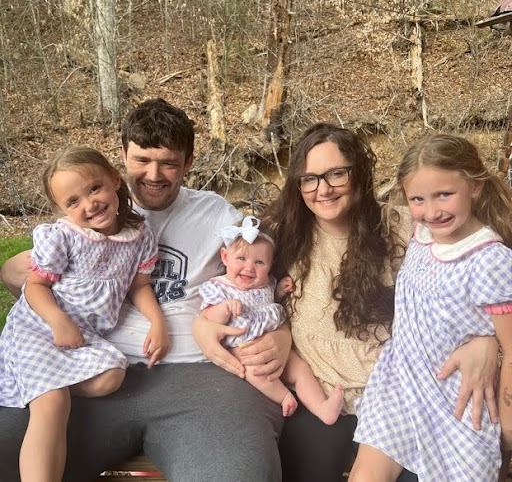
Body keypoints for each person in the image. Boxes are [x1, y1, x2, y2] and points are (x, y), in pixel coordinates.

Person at [0, 98, 288, 481]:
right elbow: (27, 274)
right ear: (122, 158)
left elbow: (266, 275)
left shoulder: (217, 215)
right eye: (141, 160)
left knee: (237, 473)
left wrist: (282, 334)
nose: (154, 174)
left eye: (169, 162)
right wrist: (11, 272)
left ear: (188, 162)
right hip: (86, 366)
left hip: (200, 378)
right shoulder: (85, 214)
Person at [193, 122, 500, 482]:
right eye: (309, 179)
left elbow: (483, 276)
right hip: (318, 397)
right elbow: (242, 292)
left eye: (335, 174)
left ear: (359, 172)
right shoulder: (282, 239)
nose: (322, 189)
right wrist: (217, 329)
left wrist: (488, 341)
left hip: (401, 396)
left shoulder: (404, 226)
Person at [349, 134, 512, 482]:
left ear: (476, 188)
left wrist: (508, 436)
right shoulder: (419, 234)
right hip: (400, 381)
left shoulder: (489, 260)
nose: (432, 211)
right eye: (418, 199)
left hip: (459, 399)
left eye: (444, 194)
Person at [0, 145, 169, 481]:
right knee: (53, 404)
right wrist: (58, 321)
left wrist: (158, 321)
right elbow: (35, 287)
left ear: (114, 179)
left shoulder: (138, 236)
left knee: (112, 377)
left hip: (84, 335)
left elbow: (138, 287)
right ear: (62, 210)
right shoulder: (64, 236)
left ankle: (35, 380)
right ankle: (44, 389)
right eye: (73, 202)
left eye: (94, 188)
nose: (89, 204)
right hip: (40, 325)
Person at [200, 215, 344, 424]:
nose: (249, 268)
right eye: (241, 259)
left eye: (259, 262)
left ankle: (323, 409)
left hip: (276, 343)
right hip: (242, 347)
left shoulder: (265, 283)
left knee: (301, 368)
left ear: (270, 265)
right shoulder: (218, 286)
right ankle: (284, 395)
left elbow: (267, 303)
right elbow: (209, 318)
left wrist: (278, 292)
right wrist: (225, 308)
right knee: (255, 372)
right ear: (225, 257)